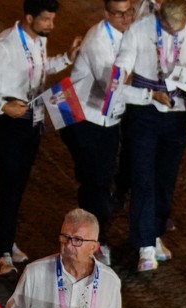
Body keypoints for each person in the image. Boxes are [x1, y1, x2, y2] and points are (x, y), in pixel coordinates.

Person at [0, 1, 74, 277]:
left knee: (19, 184)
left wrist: (66, 58)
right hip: (10, 122)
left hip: (32, 117)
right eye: (46, 20)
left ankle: (9, 241)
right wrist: (2, 105)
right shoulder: (4, 46)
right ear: (30, 18)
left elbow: (39, 68)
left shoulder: (37, 39)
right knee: (8, 186)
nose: (51, 26)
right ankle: (2, 253)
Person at [117, 0, 186, 273]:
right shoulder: (139, 28)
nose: (176, 35)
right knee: (143, 176)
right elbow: (123, 61)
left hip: (177, 112)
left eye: (180, 30)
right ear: (160, 18)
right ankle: (145, 245)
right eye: (171, 30)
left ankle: (155, 233)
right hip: (144, 109)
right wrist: (121, 73)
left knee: (165, 178)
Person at [60, 0, 136, 262]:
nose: (126, 18)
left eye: (129, 12)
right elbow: (111, 86)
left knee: (101, 181)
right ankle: (93, 241)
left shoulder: (129, 33)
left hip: (106, 120)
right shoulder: (97, 41)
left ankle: (90, 234)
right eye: (119, 13)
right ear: (106, 13)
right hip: (83, 120)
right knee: (96, 183)